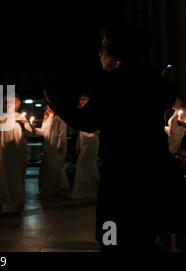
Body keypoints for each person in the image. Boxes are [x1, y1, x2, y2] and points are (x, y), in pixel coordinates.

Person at [45, 25, 186, 251]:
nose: (100, 55)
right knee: (146, 238)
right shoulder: (151, 77)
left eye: (103, 49)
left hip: (122, 176)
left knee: (114, 240)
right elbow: (166, 96)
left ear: (117, 54)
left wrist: (57, 104)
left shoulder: (112, 83)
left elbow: (88, 121)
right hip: (154, 172)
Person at [0, 95, 33, 211]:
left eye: (12, 102)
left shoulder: (21, 119)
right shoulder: (0, 118)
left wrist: (23, 127)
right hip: (2, 154)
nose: (9, 104)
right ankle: (0, 201)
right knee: (1, 177)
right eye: (6, 102)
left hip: (16, 154)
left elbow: (30, 134)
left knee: (16, 177)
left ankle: (19, 201)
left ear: (17, 105)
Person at [32, 105, 70, 199]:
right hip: (48, 146)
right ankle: (47, 190)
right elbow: (44, 132)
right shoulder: (48, 118)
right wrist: (34, 129)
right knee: (47, 168)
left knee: (56, 167)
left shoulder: (59, 117)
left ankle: (60, 190)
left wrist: (60, 145)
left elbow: (62, 132)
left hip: (56, 146)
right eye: (47, 106)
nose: (48, 108)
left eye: (50, 106)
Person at [71, 95, 100, 199]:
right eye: (81, 101)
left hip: (91, 141)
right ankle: (84, 191)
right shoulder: (80, 114)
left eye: (85, 101)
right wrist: (78, 146)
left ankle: (87, 191)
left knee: (87, 164)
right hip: (83, 141)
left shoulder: (94, 114)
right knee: (83, 165)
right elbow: (79, 132)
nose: (83, 103)